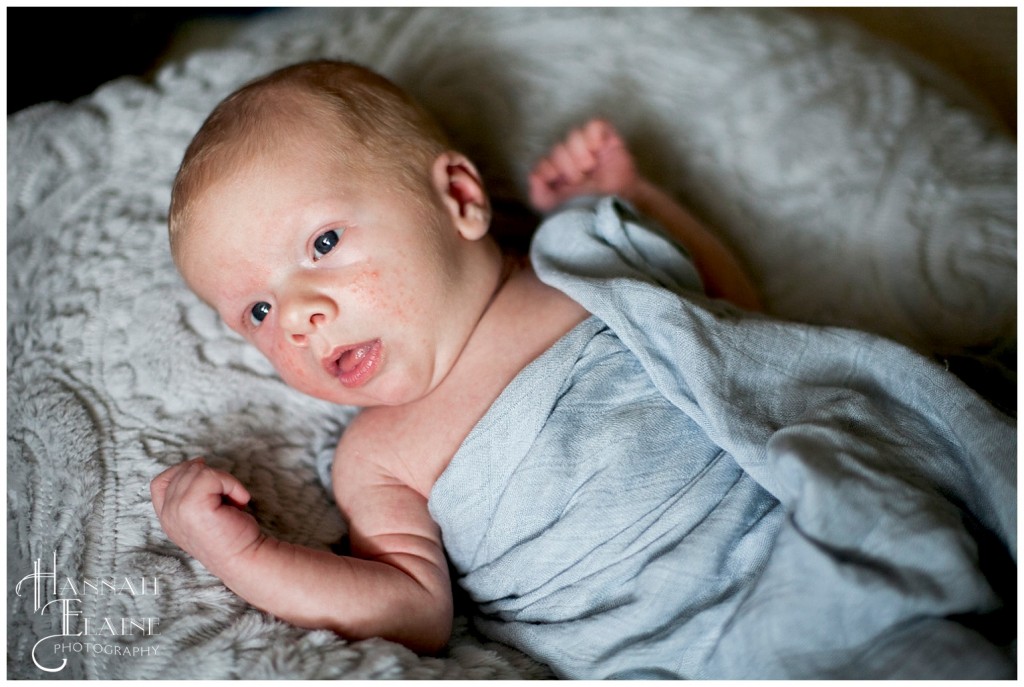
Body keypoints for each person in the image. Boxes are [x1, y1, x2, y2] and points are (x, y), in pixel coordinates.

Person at [152, 60, 1014, 679]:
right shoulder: (376, 454)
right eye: (256, 312)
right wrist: (243, 555)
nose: (298, 314)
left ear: (457, 198)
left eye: (324, 244)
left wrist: (644, 201)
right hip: (680, 653)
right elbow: (409, 611)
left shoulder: (580, 258)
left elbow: (735, 325)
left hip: (822, 538)